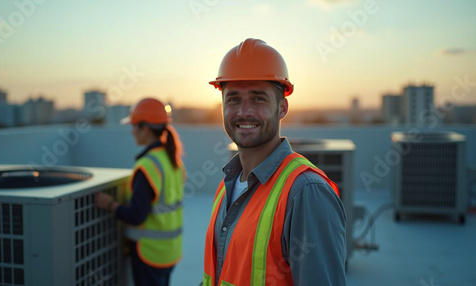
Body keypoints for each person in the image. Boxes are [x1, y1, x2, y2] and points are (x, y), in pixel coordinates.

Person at [202, 39, 347, 286]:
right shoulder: (225, 187)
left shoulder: (305, 193)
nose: (244, 111)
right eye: (233, 99)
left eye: (258, 99)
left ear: (282, 108)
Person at [95, 98, 185, 286]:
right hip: (170, 251)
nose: (131, 131)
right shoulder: (173, 161)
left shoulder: (148, 166)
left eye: (134, 126)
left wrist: (109, 204)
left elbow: (136, 216)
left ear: (145, 129)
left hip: (150, 253)